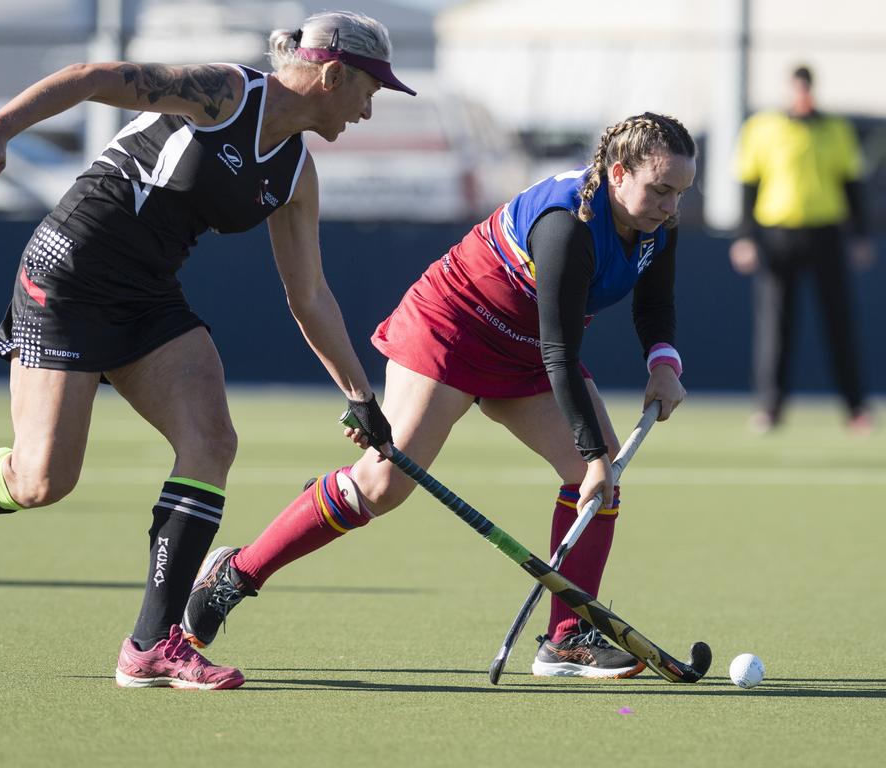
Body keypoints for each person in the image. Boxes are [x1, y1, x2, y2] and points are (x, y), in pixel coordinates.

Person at [0, 11, 413, 690]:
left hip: (147, 296)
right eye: (371, 89)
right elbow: (95, 78)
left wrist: (362, 396)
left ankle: (153, 645)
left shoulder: (296, 173)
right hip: (70, 273)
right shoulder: (223, 95)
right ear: (333, 75)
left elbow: (310, 296)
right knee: (41, 481)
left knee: (211, 440)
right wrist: (0, 127)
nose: (369, 108)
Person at [182, 113, 696, 679]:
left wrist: (662, 363)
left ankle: (567, 637)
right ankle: (236, 572)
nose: (670, 206)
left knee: (594, 481)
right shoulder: (567, 225)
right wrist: (598, 456)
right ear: (618, 173)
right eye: (661, 190)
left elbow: (655, 302)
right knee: (381, 486)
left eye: (679, 193)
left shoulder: (654, 222)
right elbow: (560, 354)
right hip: (453, 328)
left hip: (524, 346)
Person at [729, 65, 875, 434]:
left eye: (806, 88)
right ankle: (770, 407)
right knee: (776, 326)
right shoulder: (762, 128)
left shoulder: (836, 129)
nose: (801, 95)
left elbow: (851, 183)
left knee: (839, 323)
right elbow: (749, 183)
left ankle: (856, 408)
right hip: (779, 235)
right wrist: (746, 236)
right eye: (796, 88)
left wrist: (860, 235)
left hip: (826, 233)